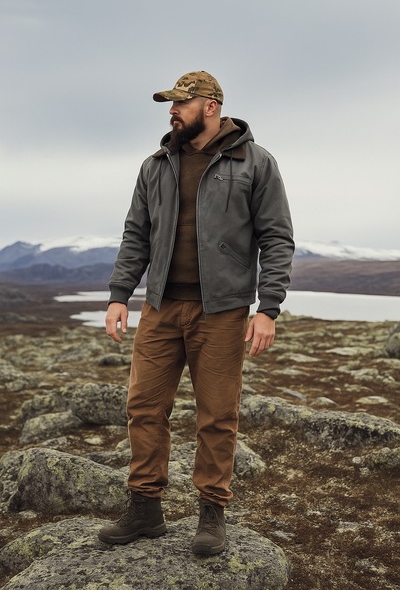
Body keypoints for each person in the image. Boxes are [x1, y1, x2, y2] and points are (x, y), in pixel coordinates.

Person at [98, 71, 294, 554]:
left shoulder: (254, 161)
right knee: (144, 408)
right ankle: (145, 508)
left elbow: (277, 237)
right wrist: (120, 294)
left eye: (180, 103)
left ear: (210, 106)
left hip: (222, 311)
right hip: (161, 307)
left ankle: (212, 512)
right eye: (170, 104)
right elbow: (136, 234)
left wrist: (268, 308)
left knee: (217, 415)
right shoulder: (156, 165)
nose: (172, 111)